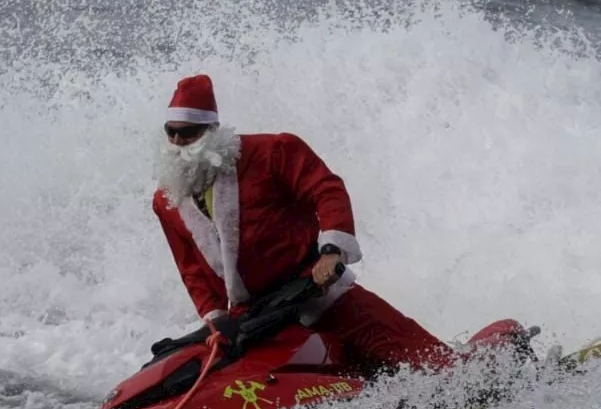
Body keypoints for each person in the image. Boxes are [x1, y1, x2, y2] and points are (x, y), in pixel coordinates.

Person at [152, 73, 458, 376]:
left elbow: (326, 190)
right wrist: (215, 318)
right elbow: (190, 268)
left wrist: (331, 251)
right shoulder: (167, 201)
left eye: (189, 132)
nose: (178, 142)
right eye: (172, 132)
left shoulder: (272, 152)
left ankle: (456, 376)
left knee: (417, 356)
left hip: (316, 289)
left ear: (211, 130)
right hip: (254, 318)